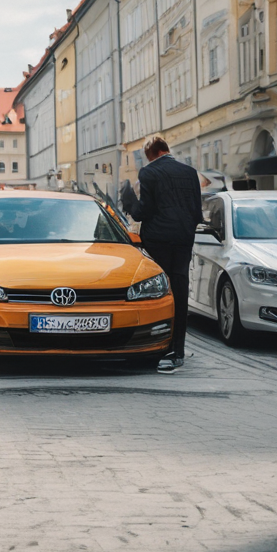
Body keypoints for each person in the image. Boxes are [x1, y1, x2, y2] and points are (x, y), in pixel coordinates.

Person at [120, 136, 202, 374]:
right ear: (166, 149)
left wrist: (129, 200)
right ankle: (178, 350)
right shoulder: (190, 173)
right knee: (180, 290)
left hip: (158, 241)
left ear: (152, 154)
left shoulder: (149, 173)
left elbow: (142, 212)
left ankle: (158, 344)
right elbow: (197, 212)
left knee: (159, 293)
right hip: (184, 239)